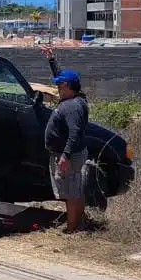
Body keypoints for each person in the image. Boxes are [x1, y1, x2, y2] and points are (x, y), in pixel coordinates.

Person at [43, 66, 91, 234]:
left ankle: (72, 228)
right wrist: (51, 60)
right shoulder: (76, 98)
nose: (57, 89)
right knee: (76, 188)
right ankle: (80, 222)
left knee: (70, 192)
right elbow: (61, 76)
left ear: (67, 87)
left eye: (60, 86)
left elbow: (74, 133)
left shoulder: (72, 107)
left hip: (68, 155)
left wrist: (65, 155)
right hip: (72, 153)